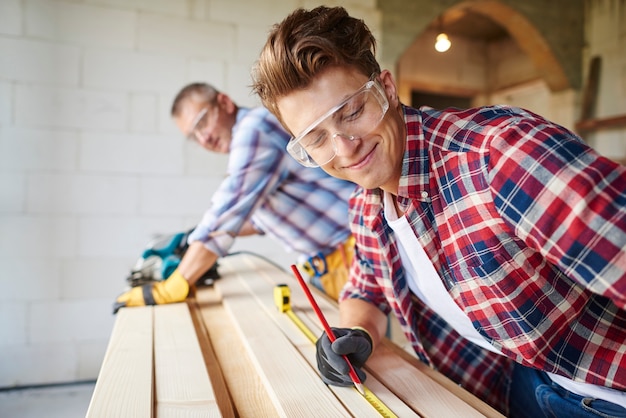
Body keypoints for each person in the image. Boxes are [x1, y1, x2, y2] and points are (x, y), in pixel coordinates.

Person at [251, 6, 626, 417]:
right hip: (514, 382)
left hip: (602, 395)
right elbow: (368, 289)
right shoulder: (367, 203)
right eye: (316, 137)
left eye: (352, 112)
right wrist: (357, 332)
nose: (344, 148)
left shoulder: (501, 155)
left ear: (387, 90)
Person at [114, 82, 357, 312]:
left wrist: (173, 286)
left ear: (225, 103)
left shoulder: (254, 128)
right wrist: (192, 237)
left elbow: (226, 213)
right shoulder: (253, 144)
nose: (203, 139)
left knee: (367, 351)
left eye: (202, 123)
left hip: (351, 254)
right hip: (327, 265)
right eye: (193, 136)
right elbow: (258, 219)